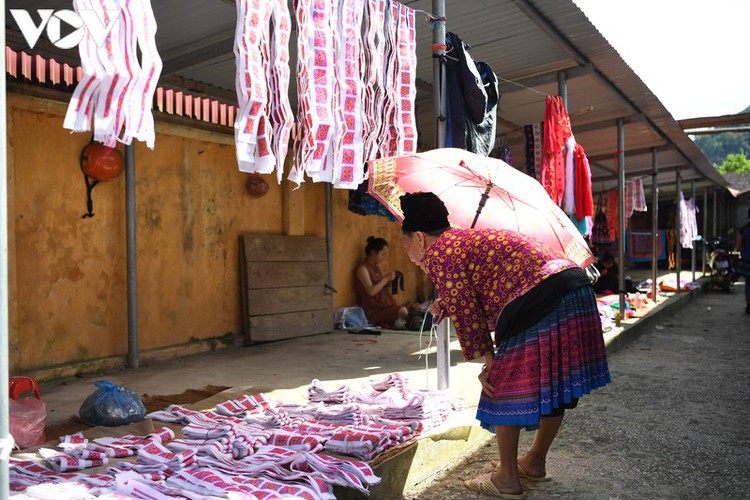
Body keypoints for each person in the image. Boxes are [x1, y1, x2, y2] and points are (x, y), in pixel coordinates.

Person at [399, 192, 610, 499]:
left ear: (418, 237)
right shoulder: (464, 240)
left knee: (501, 386)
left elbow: (470, 316)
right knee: (554, 384)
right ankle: (534, 461)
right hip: (574, 288)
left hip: (541, 296)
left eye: (403, 241)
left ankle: (507, 479)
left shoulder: (440, 254)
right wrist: (448, 301)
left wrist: (490, 362)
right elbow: (484, 286)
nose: (404, 249)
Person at [354, 236, 409, 328]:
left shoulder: (376, 268)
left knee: (412, 310)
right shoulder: (362, 269)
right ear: (373, 253)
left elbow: (381, 287)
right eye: (382, 255)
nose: (383, 258)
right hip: (373, 311)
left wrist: (390, 281)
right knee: (403, 311)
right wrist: (386, 279)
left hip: (384, 306)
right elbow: (371, 291)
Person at [736, 208, 750, 314]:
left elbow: (738, 246)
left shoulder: (743, 229)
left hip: (747, 261)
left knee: (748, 284)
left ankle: (749, 306)